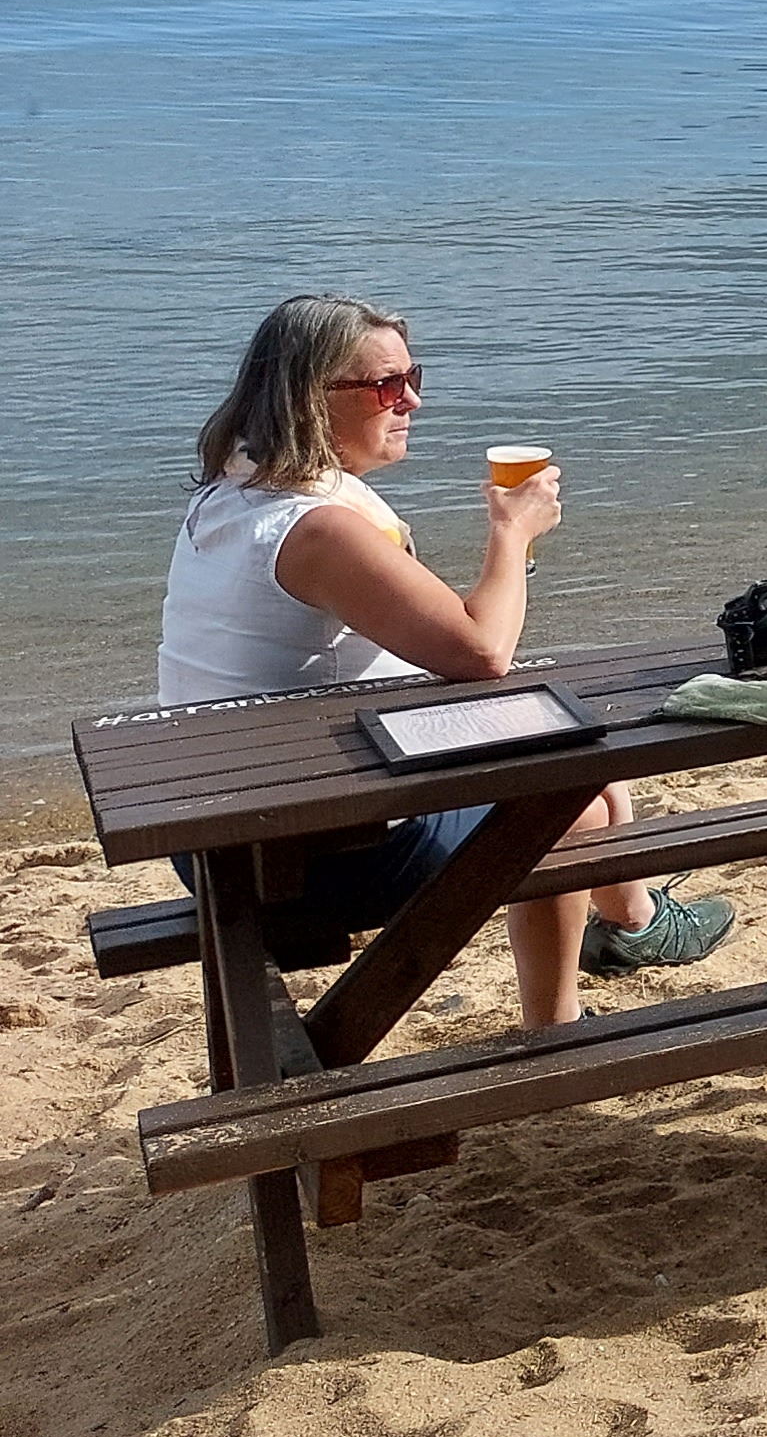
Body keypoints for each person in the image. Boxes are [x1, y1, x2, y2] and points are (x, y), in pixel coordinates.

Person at [153, 295, 729, 1028]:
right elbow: (482, 651)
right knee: (575, 804)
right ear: (309, 396)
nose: (413, 400)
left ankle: (636, 925)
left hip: (228, 826)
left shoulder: (234, 493)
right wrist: (511, 535)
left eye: (412, 376)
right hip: (296, 861)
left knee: (587, 764)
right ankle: (559, 1024)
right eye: (387, 385)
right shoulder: (319, 527)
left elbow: (424, 635)